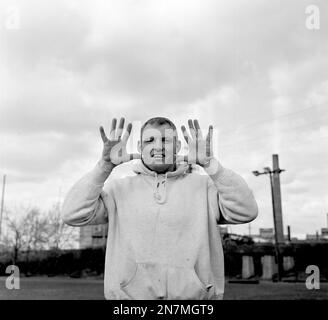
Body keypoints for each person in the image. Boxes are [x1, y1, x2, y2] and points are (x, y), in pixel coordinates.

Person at [62, 116, 258, 300]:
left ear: (178, 147)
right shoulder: (117, 190)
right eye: (150, 141)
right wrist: (103, 167)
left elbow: (247, 210)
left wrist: (211, 165)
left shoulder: (205, 187)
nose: (158, 146)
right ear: (140, 147)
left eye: (166, 140)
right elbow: (72, 214)